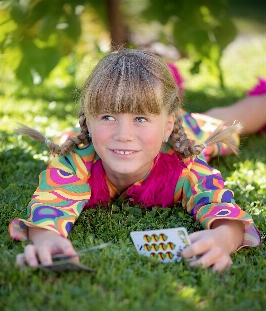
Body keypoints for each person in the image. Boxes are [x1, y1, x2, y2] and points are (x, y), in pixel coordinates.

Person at [9, 49, 261, 272]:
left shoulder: (183, 164)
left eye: (140, 118)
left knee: (227, 122)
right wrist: (46, 240)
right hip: (129, 134)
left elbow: (218, 204)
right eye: (107, 116)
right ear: (88, 121)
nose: (124, 135)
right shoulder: (75, 160)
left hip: (185, 133)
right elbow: (51, 204)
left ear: (166, 126)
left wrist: (224, 238)